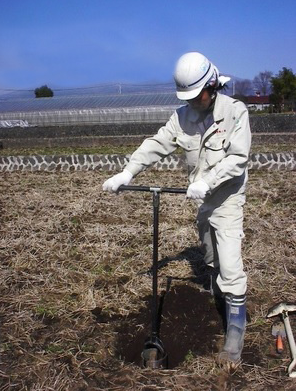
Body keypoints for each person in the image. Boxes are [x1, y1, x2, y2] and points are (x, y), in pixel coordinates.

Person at [102, 52, 251, 364]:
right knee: (211, 256)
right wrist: (128, 172)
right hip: (203, 200)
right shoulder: (182, 117)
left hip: (227, 197)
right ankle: (217, 293)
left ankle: (235, 330)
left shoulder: (235, 112)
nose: (194, 102)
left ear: (212, 86)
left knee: (231, 265)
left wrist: (208, 181)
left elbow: (237, 159)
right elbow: (157, 143)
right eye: (190, 97)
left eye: (198, 95)